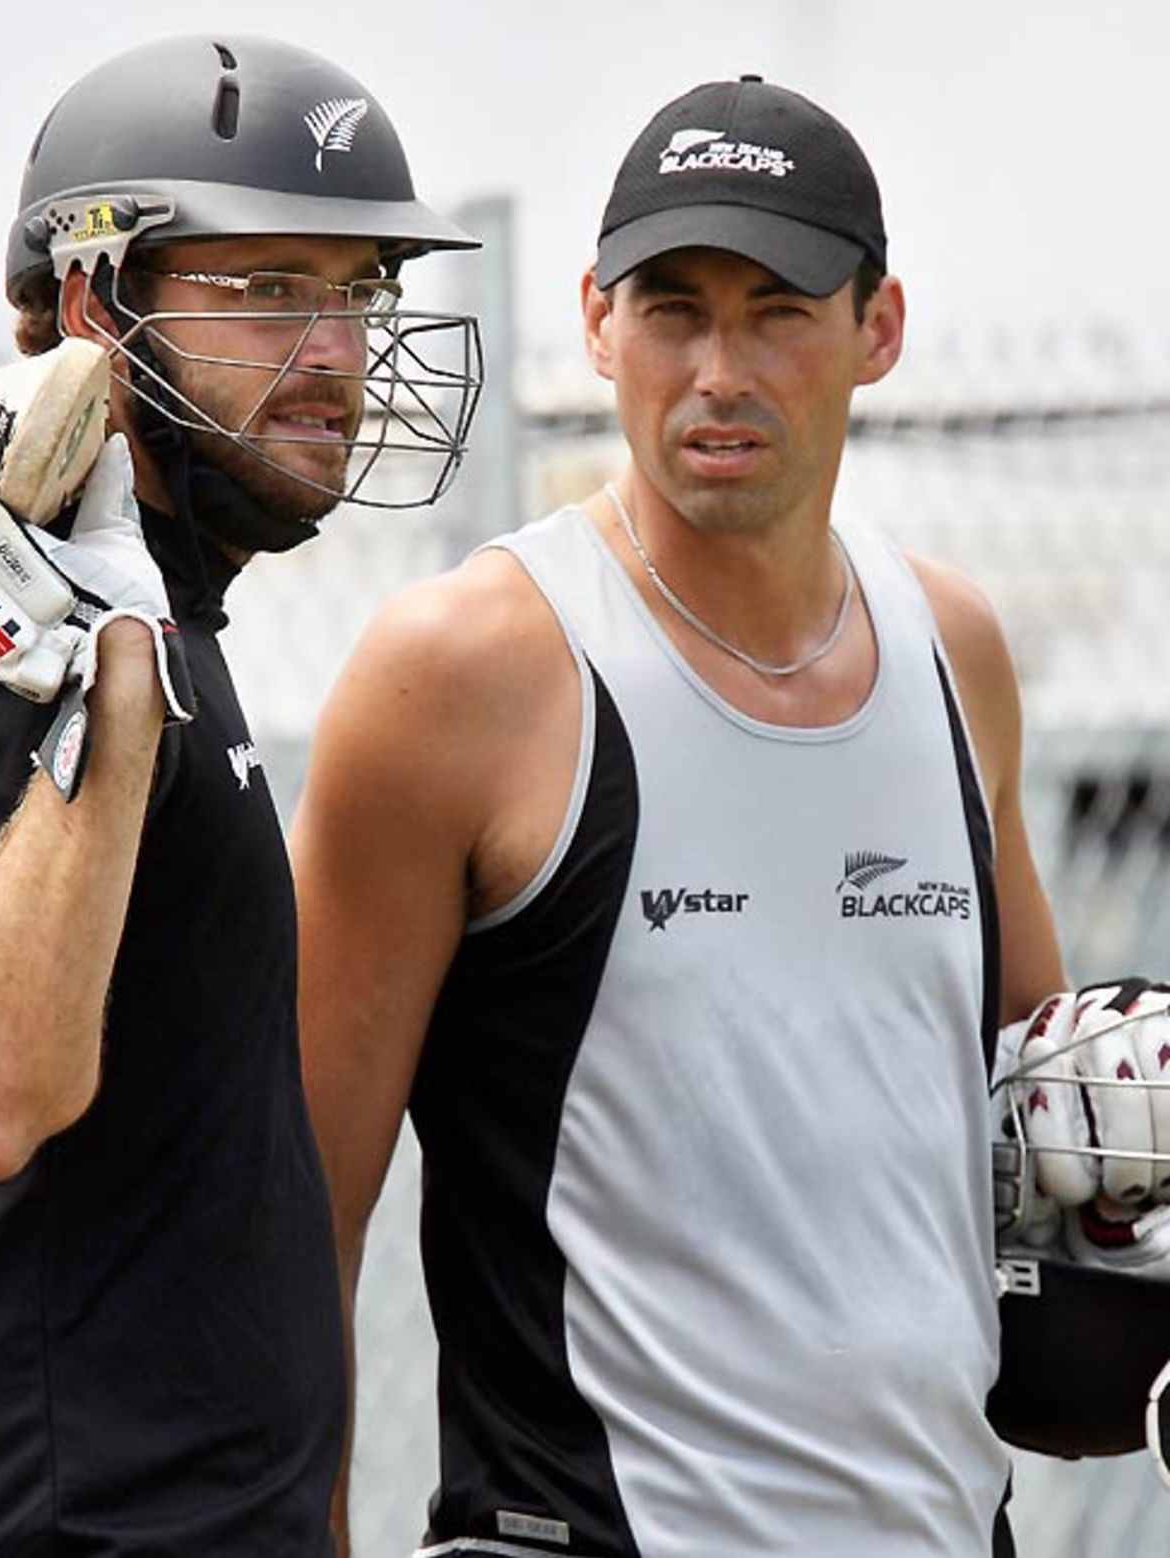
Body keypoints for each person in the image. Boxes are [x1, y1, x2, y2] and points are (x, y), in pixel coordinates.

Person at [293, 75, 1170, 1557]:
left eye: (777, 309)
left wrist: (1118, 1182)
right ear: (594, 319)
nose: (718, 370)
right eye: (673, 309)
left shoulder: (955, 650)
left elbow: (1046, 1124)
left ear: (876, 328)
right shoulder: (465, 674)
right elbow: (299, 1215)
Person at [0, 32, 479, 1557]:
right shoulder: (20, 617)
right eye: (268, 291)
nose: (335, 351)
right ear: (91, 312)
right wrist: (101, 669)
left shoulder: (163, 601)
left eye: (358, 293)